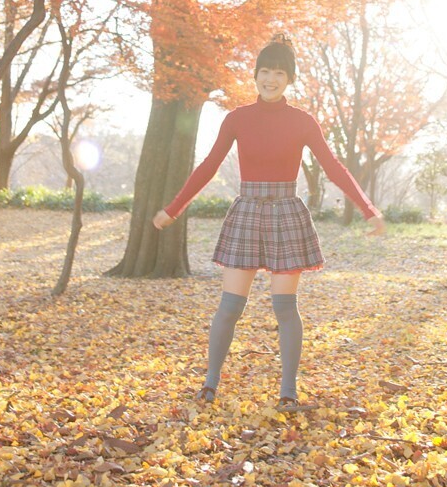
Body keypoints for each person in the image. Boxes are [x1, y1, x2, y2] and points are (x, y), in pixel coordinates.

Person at [153, 36, 385, 407]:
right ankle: (210, 385)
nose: (270, 79)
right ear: (256, 75)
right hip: (247, 212)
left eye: (279, 73)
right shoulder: (237, 119)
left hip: (285, 214)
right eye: (265, 71)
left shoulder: (303, 122)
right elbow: (209, 166)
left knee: (284, 307)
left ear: (289, 79)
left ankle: (288, 392)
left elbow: (334, 168)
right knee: (230, 306)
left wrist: (368, 208)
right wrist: (174, 208)